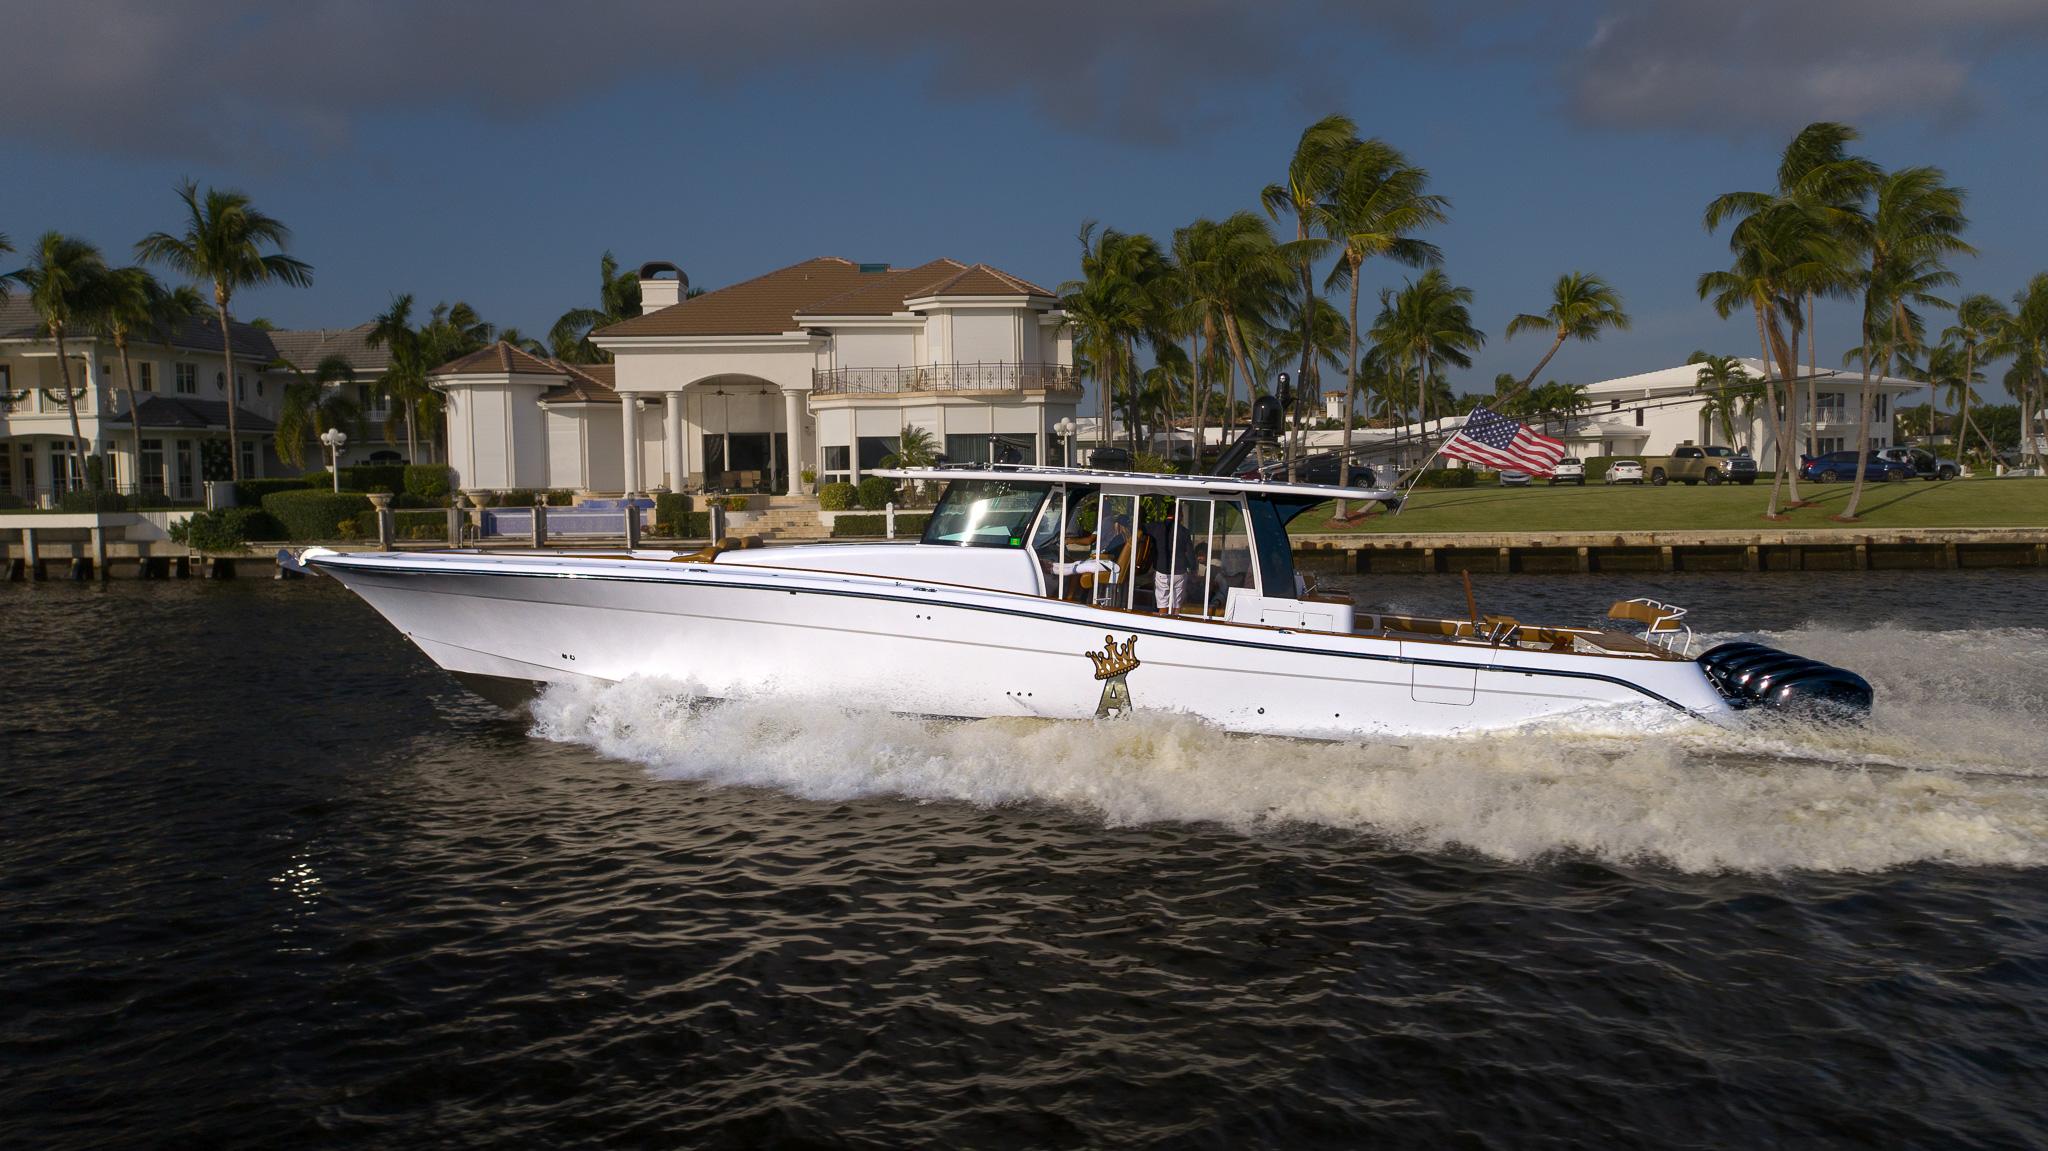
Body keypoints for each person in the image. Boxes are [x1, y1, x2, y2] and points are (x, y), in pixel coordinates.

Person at [1142, 506, 1197, 616]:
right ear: (1180, 515)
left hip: (1162, 571)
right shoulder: (1184, 532)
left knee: (1163, 604)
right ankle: (1175, 623)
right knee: (1176, 606)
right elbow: (1190, 554)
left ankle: (1163, 625)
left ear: (1167, 514)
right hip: (1180, 573)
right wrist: (1193, 568)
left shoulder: (1155, 527)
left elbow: (1140, 527)